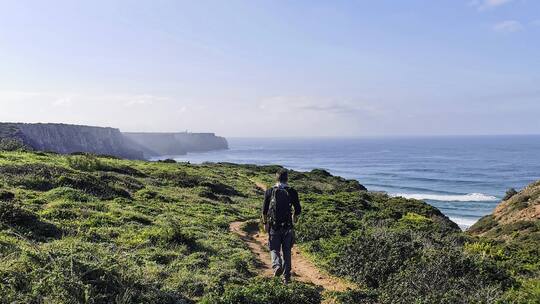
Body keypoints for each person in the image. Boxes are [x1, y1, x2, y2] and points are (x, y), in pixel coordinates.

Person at [261, 169, 301, 284]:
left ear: (276, 178)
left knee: (274, 248)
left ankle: (276, 265)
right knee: (287, 251)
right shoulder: (292, 191)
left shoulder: (270, 191)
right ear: (287, 179)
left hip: (274, 226)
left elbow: (264, 211)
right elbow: (298, 209)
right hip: (287, 227)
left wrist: (265, 224)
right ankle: (286, 277)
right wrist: (294, 219)